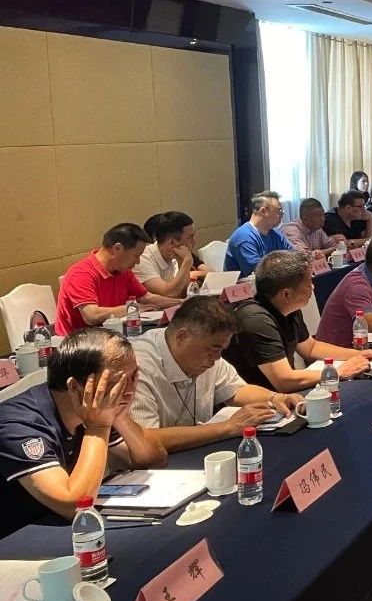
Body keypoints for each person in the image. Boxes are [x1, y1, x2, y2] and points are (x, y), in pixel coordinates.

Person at [0, 328, 167, 539]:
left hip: (55, 529)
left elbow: (153, 459)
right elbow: (75, 505)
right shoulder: (18, 425)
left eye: (134, 377)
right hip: (14, 540)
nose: (130, 390)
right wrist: (99, 427)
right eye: (118, 382)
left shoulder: (94, 408)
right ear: (76, 388)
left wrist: (120, 416)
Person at [130, 297, 301, 453]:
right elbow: (143, 439)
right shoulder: (137, 366)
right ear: (182, 336)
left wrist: (274, 398)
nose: (217, 358)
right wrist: (228, 427)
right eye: (213, 349)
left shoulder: (207, 354)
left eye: (221, 350)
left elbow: (236, 390)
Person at [224, 251, 372, 392]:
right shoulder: (255, 320)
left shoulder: (287, 307)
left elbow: (311, 348)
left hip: (284, 397)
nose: (313, 287)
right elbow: (283, 381)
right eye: (308, 282)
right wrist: (338, 372)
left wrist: (359, 354)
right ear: (286, 294)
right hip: (261, 404)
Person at [56, 223, 184, 336]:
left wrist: (182, 302)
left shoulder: (123, 271)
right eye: (136, 255)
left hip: (111, 334)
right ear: (117, 249)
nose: (138, 262)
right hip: (78, 343)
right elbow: (91, 315)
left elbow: (145, 297)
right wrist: (132, 309)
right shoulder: (81, 273)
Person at [134, 211, 206, 298]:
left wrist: (182, 263)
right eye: (190, 237)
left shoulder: (175, 256)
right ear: (172, 242)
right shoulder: (142, 259)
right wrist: (187, 262)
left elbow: (184, 293)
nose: (194, 242)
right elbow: (168, 294)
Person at [225, 191, 293, 276]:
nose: (282, 214)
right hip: (248, 282)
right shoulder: (243, 237)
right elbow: (259, 273)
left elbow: (293, 255)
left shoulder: (275, 233)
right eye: (279, 210)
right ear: (263, 211)